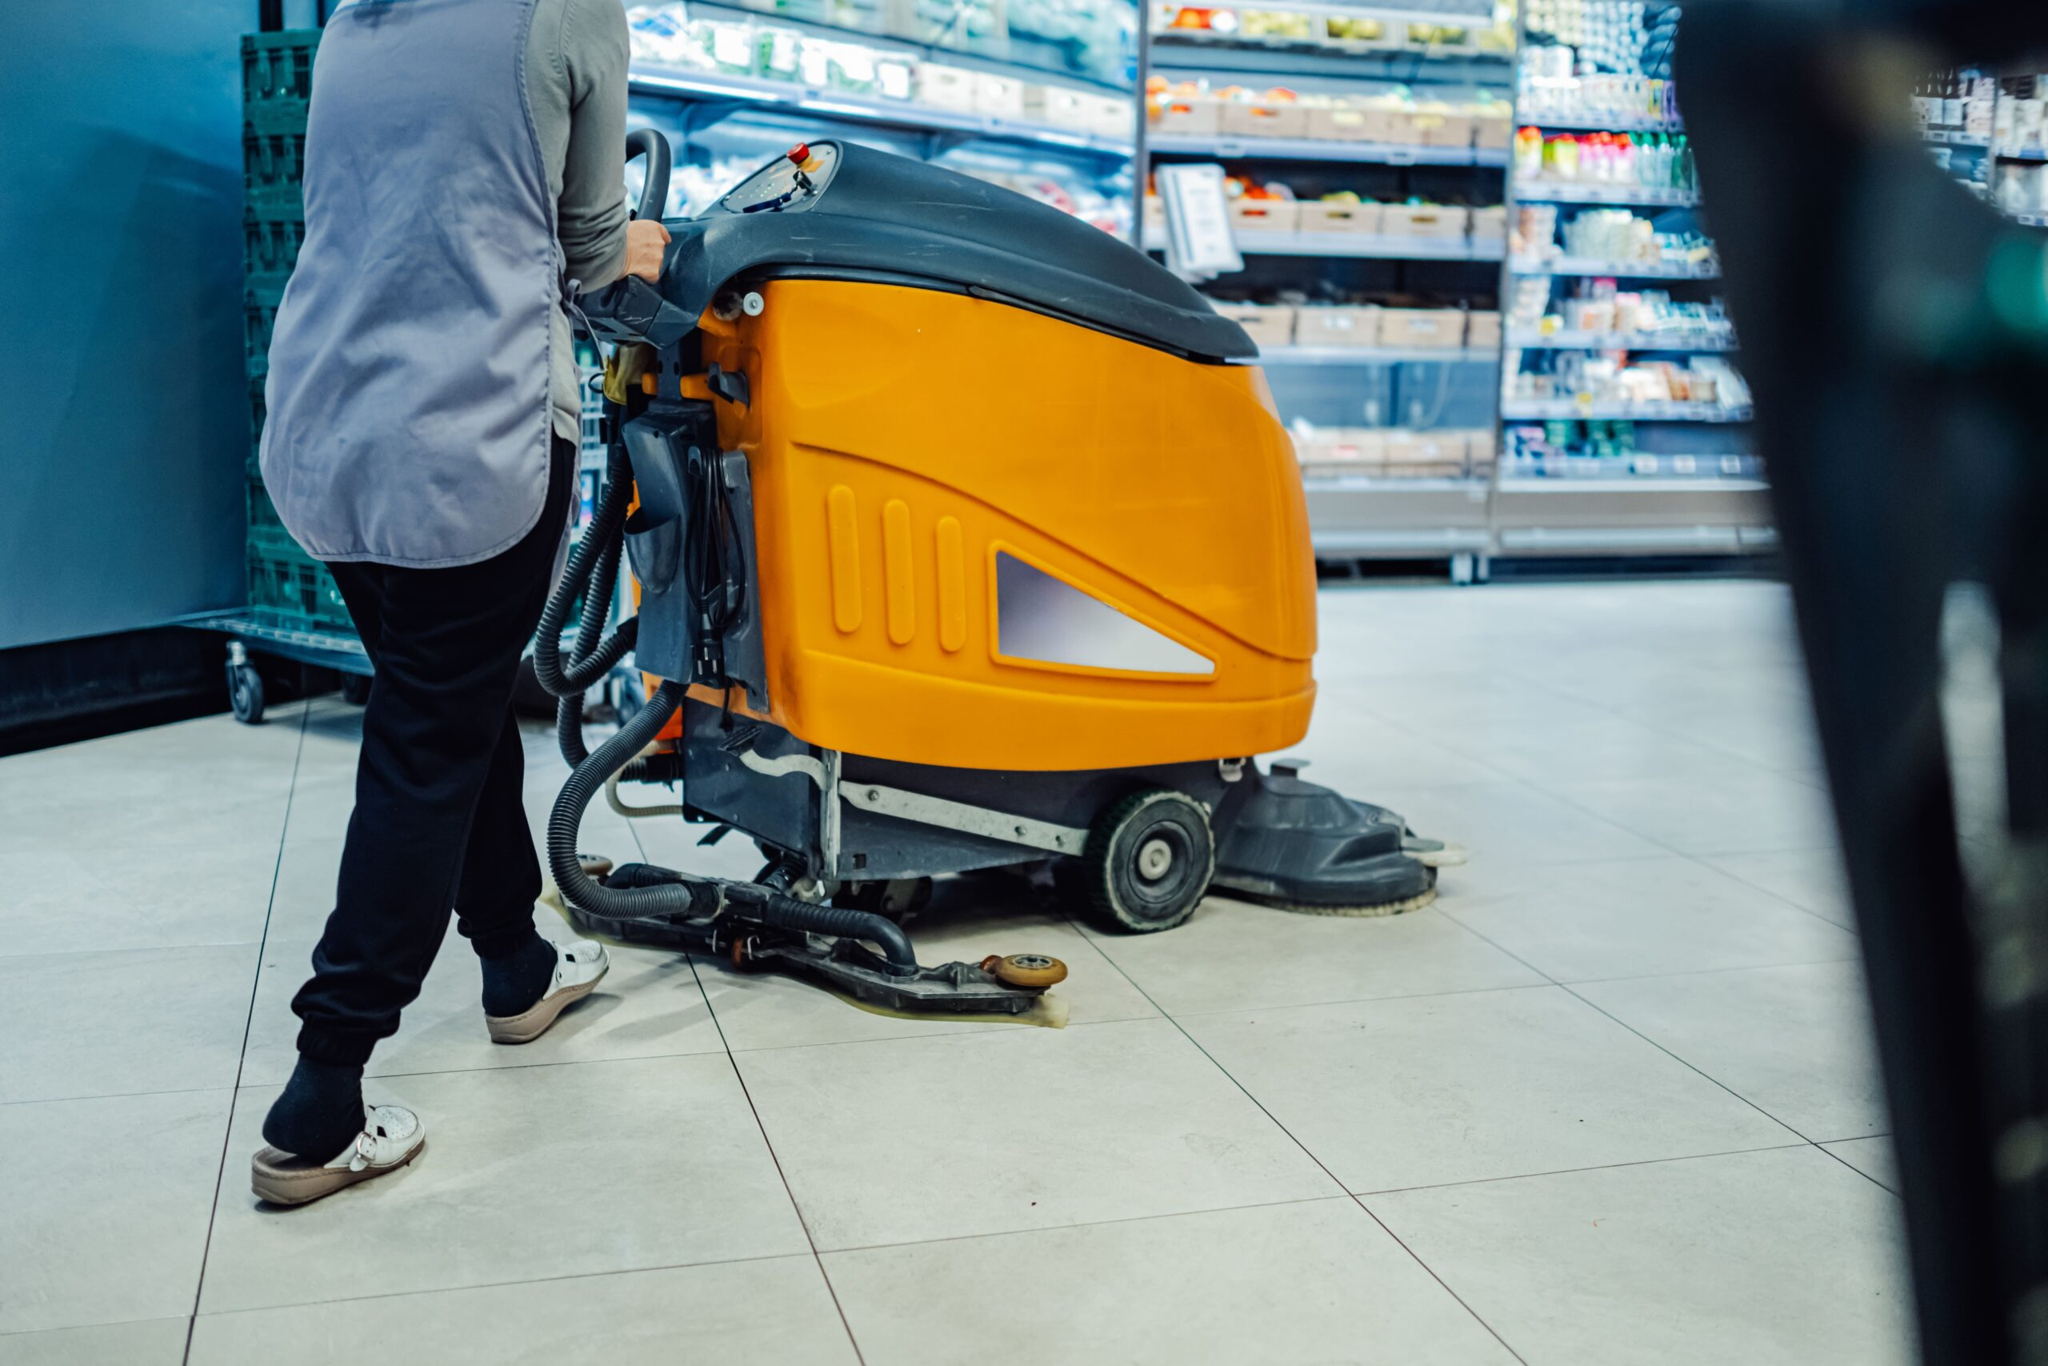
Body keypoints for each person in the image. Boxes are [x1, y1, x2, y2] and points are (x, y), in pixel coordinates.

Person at [248, 0, 671, 1206]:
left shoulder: (350, 22)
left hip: (329, 433)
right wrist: (637, 245)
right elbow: (591, 254)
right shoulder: (567, 11)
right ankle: (322, 1093)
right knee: (427, 745)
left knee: (454, 705)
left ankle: (517, 967)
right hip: (465, 438)